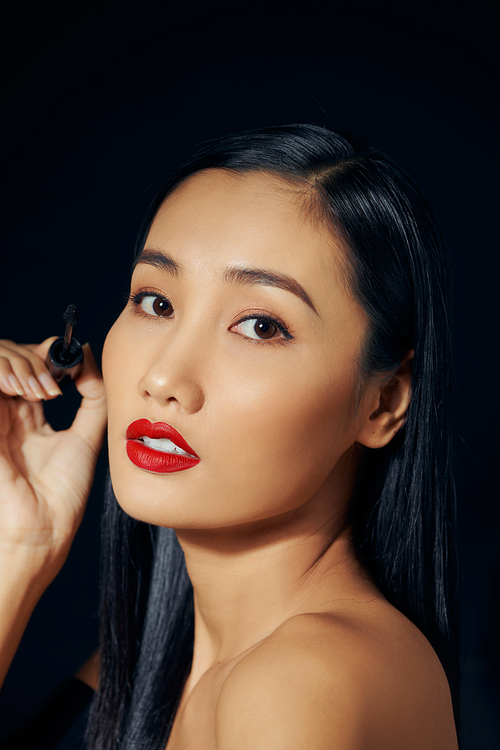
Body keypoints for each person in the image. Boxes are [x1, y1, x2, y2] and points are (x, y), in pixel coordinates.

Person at [0, 124, 459, 749]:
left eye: (261, 325)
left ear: (383, 403)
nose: (163, 377)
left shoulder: (301, 680)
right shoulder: (146, 665)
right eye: (156, 303)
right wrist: (20, 550)